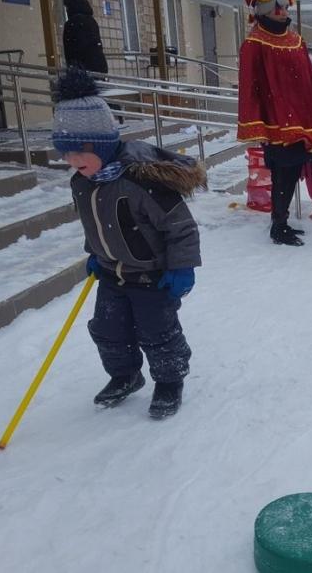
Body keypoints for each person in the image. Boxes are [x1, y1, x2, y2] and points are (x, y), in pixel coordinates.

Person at [52, 67, 205, 419]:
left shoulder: (141, 180)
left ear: (102, 144)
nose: (72, 163)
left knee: (159, 333)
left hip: (152, 277)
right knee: (107, 331)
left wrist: (182, 267)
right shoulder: (83, 182)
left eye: (78, 153)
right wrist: (95, 254)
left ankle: (169, 381)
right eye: (66, 155)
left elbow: (180, 227)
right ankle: (125, 376)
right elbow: (96, 225)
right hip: (110, 274)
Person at [236, 0, 312, 246]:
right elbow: (249, 87)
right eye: (278, 7)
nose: (284, 11)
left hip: (301, 119)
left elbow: (309, 81)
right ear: (266, 10)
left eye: (285, 6)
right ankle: (278, 224)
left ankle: (280, 220)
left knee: (290, 173)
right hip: (277, 122)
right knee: (283, 172)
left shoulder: (295, 40)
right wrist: (257, 125)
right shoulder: (255, 43)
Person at [62, 0, 108, 74]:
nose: (66, 11)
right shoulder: (91, 21)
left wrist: (72, 67)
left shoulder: (72, 23)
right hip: (98, 65)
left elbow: (71, 49)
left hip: (82, 68)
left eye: (67, 7)